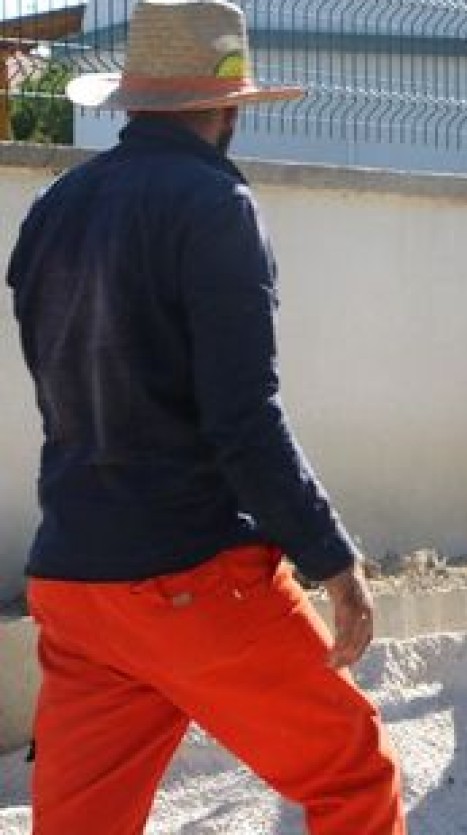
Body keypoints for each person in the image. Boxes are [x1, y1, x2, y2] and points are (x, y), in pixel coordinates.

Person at [6, 2, 405, 832]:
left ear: (134, 101)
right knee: (353, 774)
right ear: (229, 107)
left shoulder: (52, 210)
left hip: (75, 585)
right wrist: (332, 557)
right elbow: (243, 418)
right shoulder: (217, 205)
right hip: (189, 576)